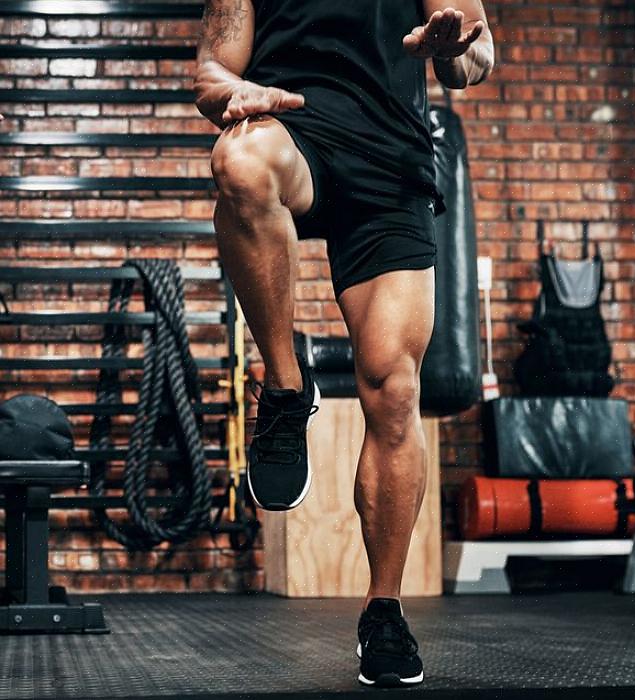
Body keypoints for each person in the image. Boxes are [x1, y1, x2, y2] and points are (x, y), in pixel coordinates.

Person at [195, 0, 493, 687]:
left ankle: (383, 609)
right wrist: (231, 92)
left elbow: (476, 59)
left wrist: (453, 49)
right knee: (239, 160)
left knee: (394, 389)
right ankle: (284, 385)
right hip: (292, 131)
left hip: (390, 163)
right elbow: (211, 69)